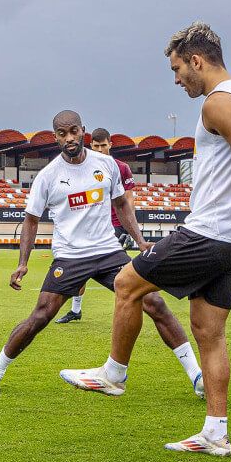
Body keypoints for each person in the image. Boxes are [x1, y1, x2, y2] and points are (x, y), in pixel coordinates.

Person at [61, 22, 231, 456]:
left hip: (211, 231)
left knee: (126, 283)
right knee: (209, 331)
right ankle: (215, 433)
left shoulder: (219, 103)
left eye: (177, 69)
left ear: (196, 61)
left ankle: (113, 374)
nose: (176, 80)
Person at [0, 110, 201, 397]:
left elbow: (121, 204)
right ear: (55, 137)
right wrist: (23, 263)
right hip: (71, 255)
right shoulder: (48, 176)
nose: (69, 138)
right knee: (42, 314)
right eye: (62, 134)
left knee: (154, 303)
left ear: (82, 130)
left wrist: (139, 241)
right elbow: (31, 220)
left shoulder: (106, 164)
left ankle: (196, 376)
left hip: (108, 251)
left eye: (73, 131)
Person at [55, 127, 136, 324]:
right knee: (81, 269)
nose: (100, 150)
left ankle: (129, 309)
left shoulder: (121, 167)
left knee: (120, 275)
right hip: (88, 227)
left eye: (104, 146)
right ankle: (76, 310)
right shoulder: (82, 167)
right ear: (90, 145)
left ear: (110, 145)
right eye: (96, 146)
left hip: (114, 227)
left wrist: (130, 230)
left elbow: (128, 199)